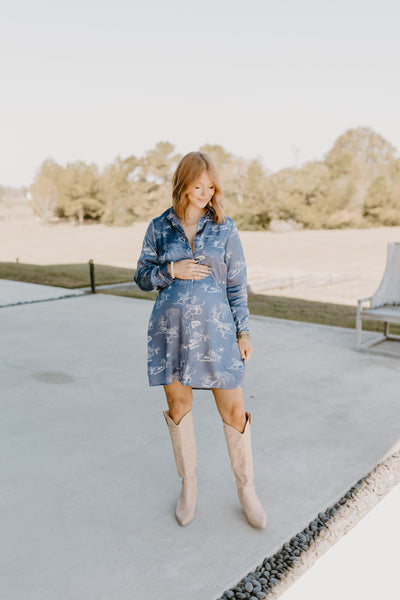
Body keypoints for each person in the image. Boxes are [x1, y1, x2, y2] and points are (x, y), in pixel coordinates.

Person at [134, 151, 267, 529]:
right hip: (169, 334)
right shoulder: (159, 227)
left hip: (218, 334)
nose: (205, 193)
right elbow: (142, 277)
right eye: (198, 186)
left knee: (234, 412)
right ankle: (188, 485)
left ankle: (247, 489)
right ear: (183, 184)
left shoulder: (225, 228)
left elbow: (237, 284)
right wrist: (170, 270)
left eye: (211, 186)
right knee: (178, 409)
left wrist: (243, 331)